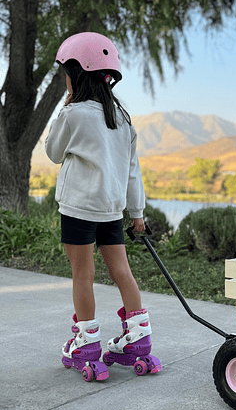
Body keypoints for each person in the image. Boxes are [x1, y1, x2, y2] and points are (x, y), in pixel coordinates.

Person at [45, 32, 161, 381]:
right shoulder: (123, 119)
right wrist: (137, 213)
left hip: (79, 209)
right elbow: (132, 171)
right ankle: (138, 340)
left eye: (67, 72)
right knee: (122, 271)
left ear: (77, 73)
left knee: (83, 274)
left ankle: (86, 345)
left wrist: (66, 104)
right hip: (112, 210)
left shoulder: (73, 114)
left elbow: (52, 153)